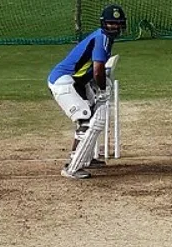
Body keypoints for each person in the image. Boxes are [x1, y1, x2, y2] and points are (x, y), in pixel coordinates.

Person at [47, 4, 127, 180]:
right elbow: (98, 69)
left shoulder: (105, 38)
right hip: (63, 81)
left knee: (90, 118)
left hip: (77, 82)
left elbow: (92, 69)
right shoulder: (102, 38)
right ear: (104, 23)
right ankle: (72, 167)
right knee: (86, 120)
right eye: (111, 23)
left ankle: (85, 157)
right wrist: (103, 89)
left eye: (118, 23)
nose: (114, 27)